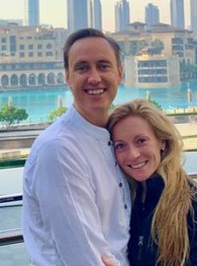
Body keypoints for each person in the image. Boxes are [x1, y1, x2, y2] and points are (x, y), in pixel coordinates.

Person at [22, 28, 131, 265]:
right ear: (68, 78)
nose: (94, 78)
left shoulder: (118, 140)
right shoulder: (59, 150)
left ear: (120, 74)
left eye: (103, 66)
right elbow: (85, 258)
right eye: (82, 68)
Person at [108, 99, 197, 266]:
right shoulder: (122, 200)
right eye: (120, 146)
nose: (133, 154)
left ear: (162, 141)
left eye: (141, 141)